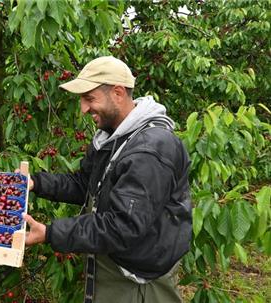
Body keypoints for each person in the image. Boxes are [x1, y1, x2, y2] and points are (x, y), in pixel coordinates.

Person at [24, 56, 192, 303]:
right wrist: (35, 183)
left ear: (118, 93)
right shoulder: (114, 137)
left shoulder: (149, 150)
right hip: (112, 267)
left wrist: (51, 233)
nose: (83, 109)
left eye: (89, 99)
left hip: (137, 284)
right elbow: (85, 185)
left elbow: (123, 226)